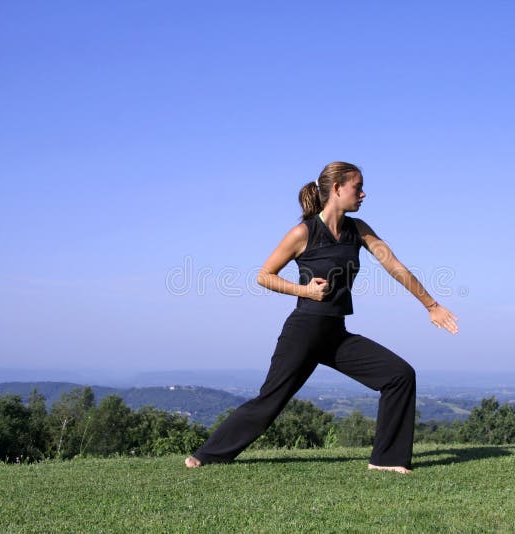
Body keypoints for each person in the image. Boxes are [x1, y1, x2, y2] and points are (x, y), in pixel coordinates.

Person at [185, 162, 458, 474]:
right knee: (270, 401)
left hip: (335, 334)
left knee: (399, 375)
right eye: (358, 187)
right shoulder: (304, 232)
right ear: (338, 189)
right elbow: (264, 276)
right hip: (304, 331)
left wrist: (431, 305)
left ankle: (387, 460)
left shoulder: (359, 230)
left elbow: (393, 265)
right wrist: (305, 291)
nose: (363, 193)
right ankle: (208, 454)